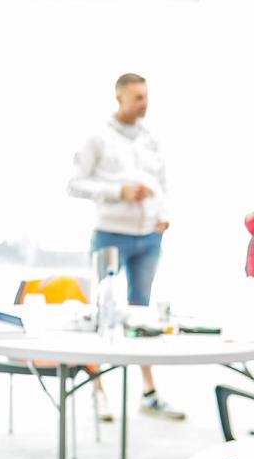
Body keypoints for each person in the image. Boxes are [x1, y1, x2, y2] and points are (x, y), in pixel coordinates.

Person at [68, 73, 184, 420]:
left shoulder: (151, 139)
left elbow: (160, 183)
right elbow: (75, 184)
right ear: (119, 98)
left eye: (146, 96)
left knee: (143, 314)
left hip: (149, 237)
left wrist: (163, 216)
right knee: (103, 311)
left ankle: (148, 394)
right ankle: (98, 392)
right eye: (137, 97)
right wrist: (119, 192)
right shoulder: (97, 138)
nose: (144, 103)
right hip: (110, 233)